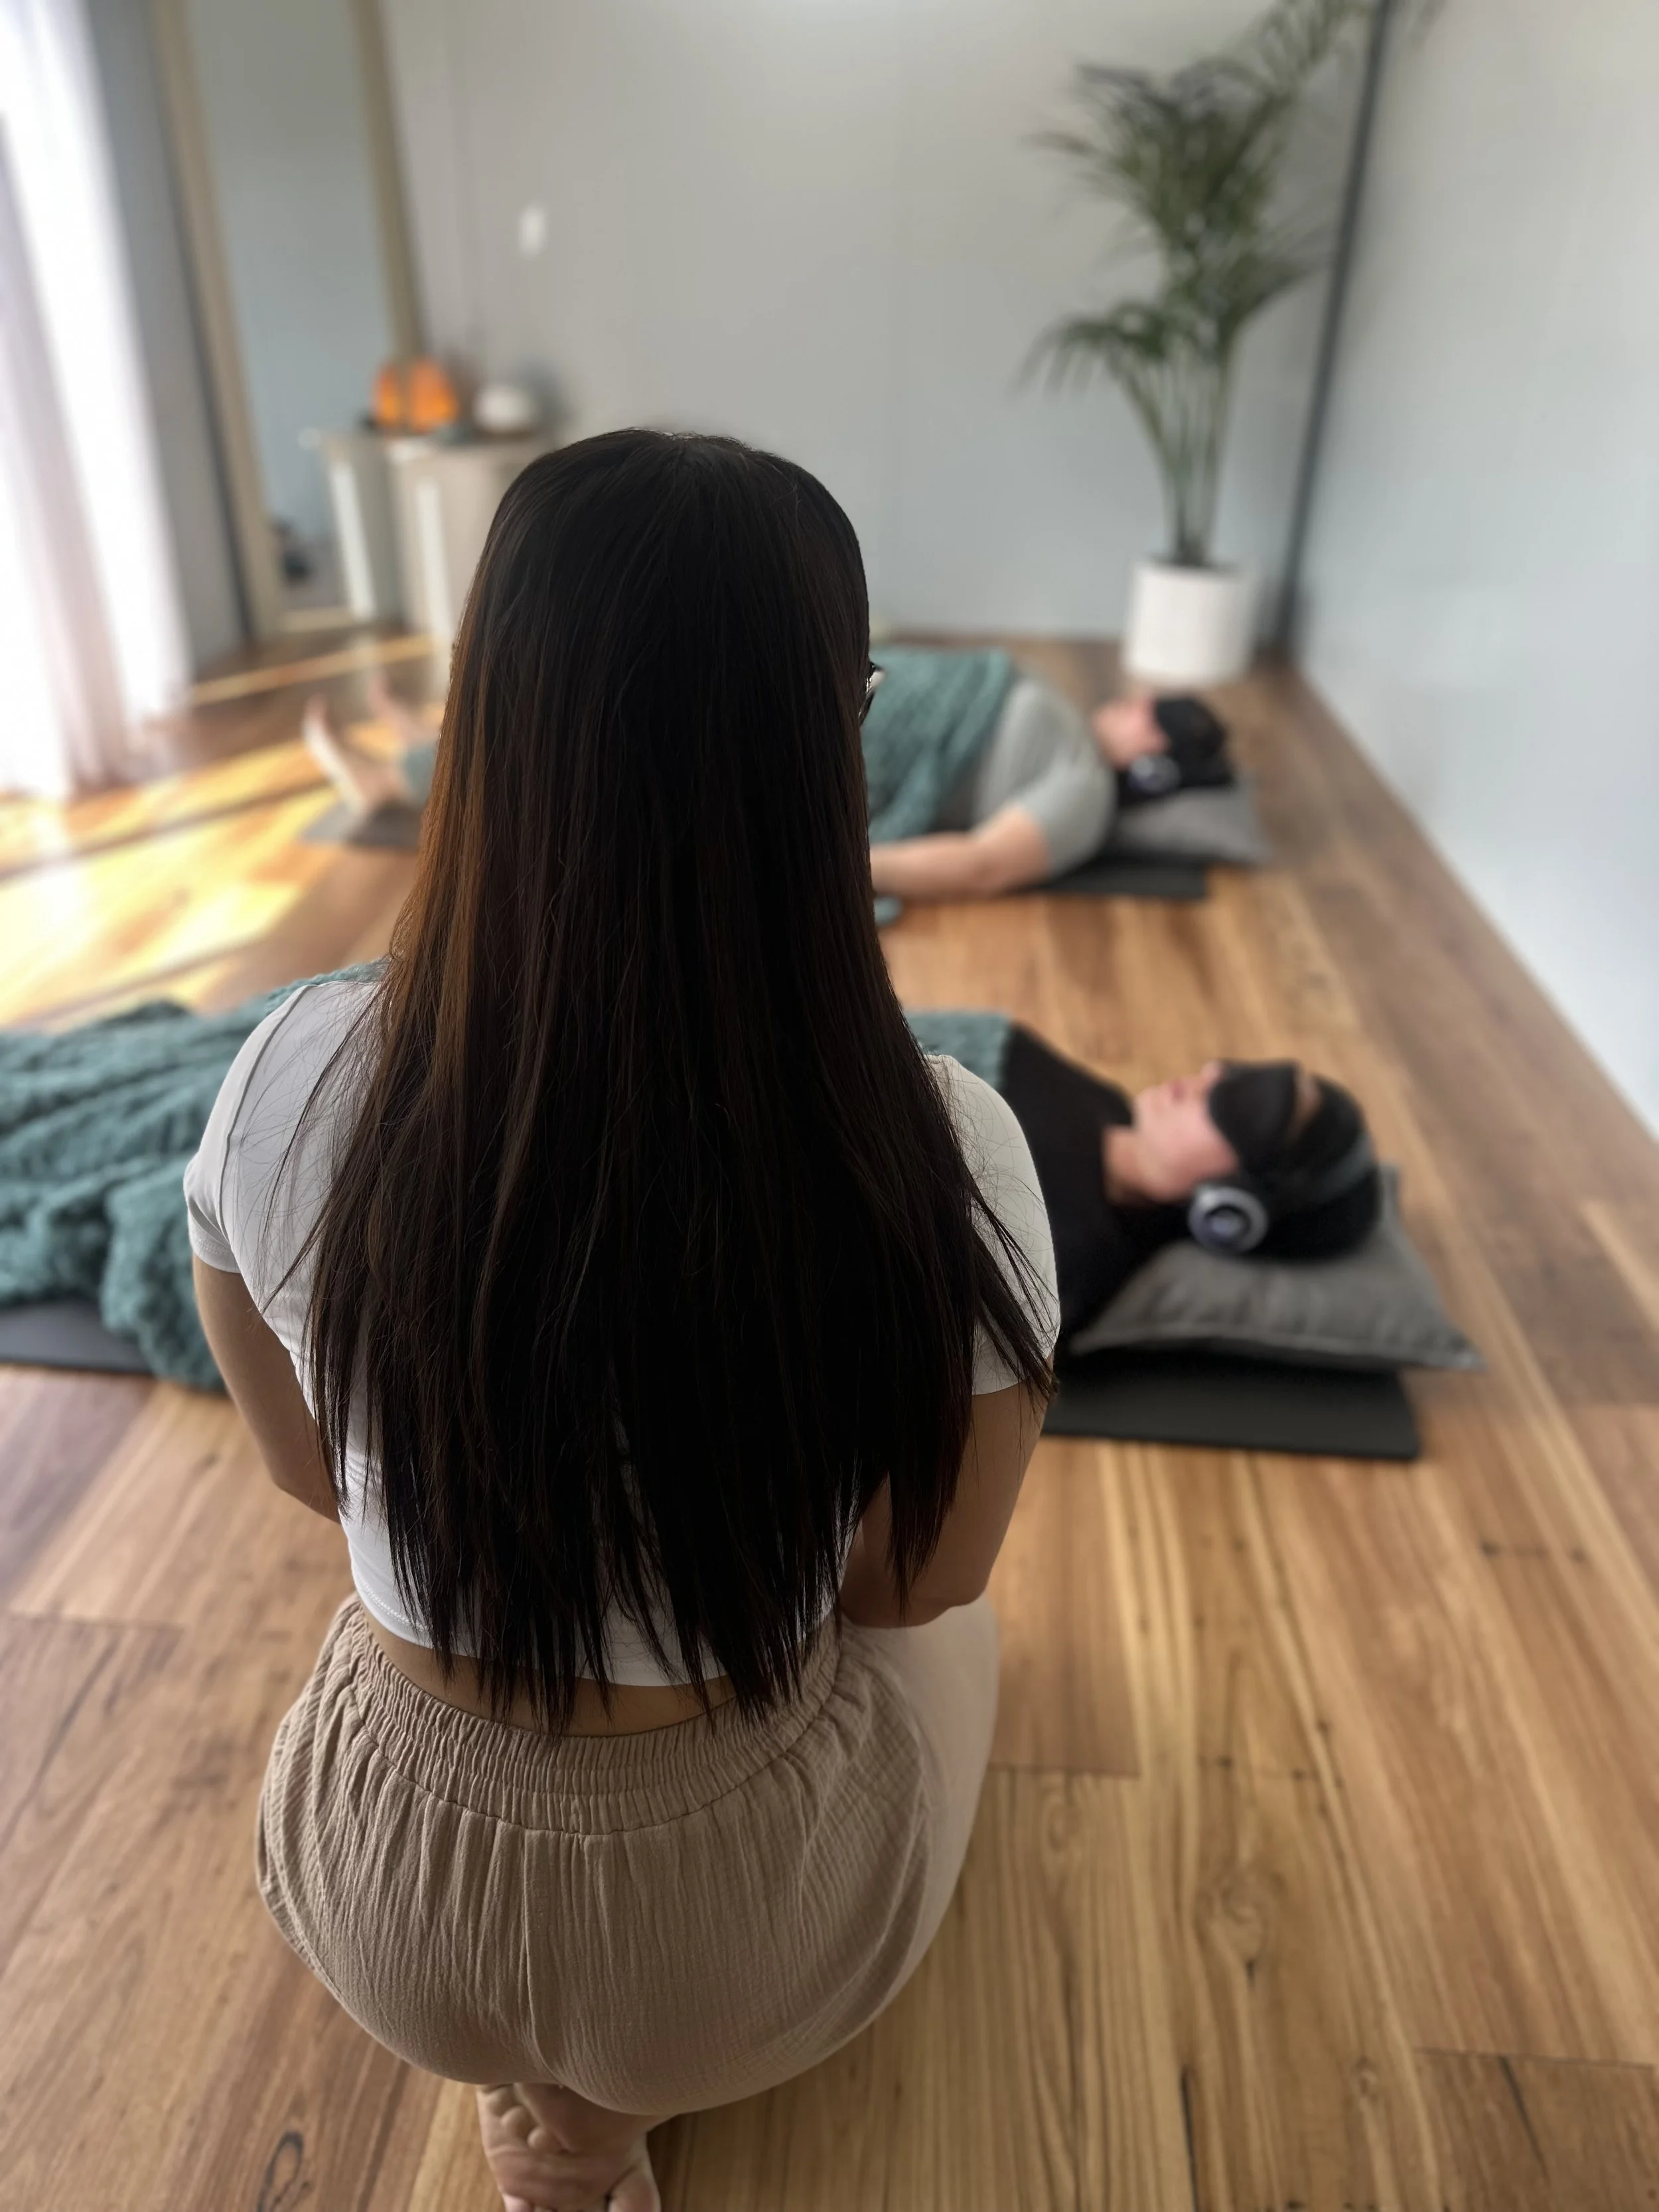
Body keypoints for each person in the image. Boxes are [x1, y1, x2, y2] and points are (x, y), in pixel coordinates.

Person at [186, 430, 1058, 2212]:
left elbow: (300, 1473)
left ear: (478, 710)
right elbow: (915, 1580)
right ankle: (606, 2114)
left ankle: (551, 2118)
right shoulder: (944, 1143)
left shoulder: (285, 1072)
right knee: (971, 1647)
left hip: (380, 1897)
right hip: (735, 1946)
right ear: (831, 737)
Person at [301, 656, 1235, 901]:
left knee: (635, 739)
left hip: (868, 743)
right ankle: (428, 743)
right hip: (880, 694)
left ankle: (404, 779)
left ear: (1153, 738)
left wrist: (832, 864)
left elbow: (986, 863)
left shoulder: (1085, 789)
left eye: (1146, 704)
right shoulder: (1068, 727)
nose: (1127, 699)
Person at [904, 1013, 1382, 1345]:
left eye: (1246, 1109)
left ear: (1233, 1210)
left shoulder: (1056, 1263)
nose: (1213, 1074)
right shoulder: (1104, 1102)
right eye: (1240, 1074)